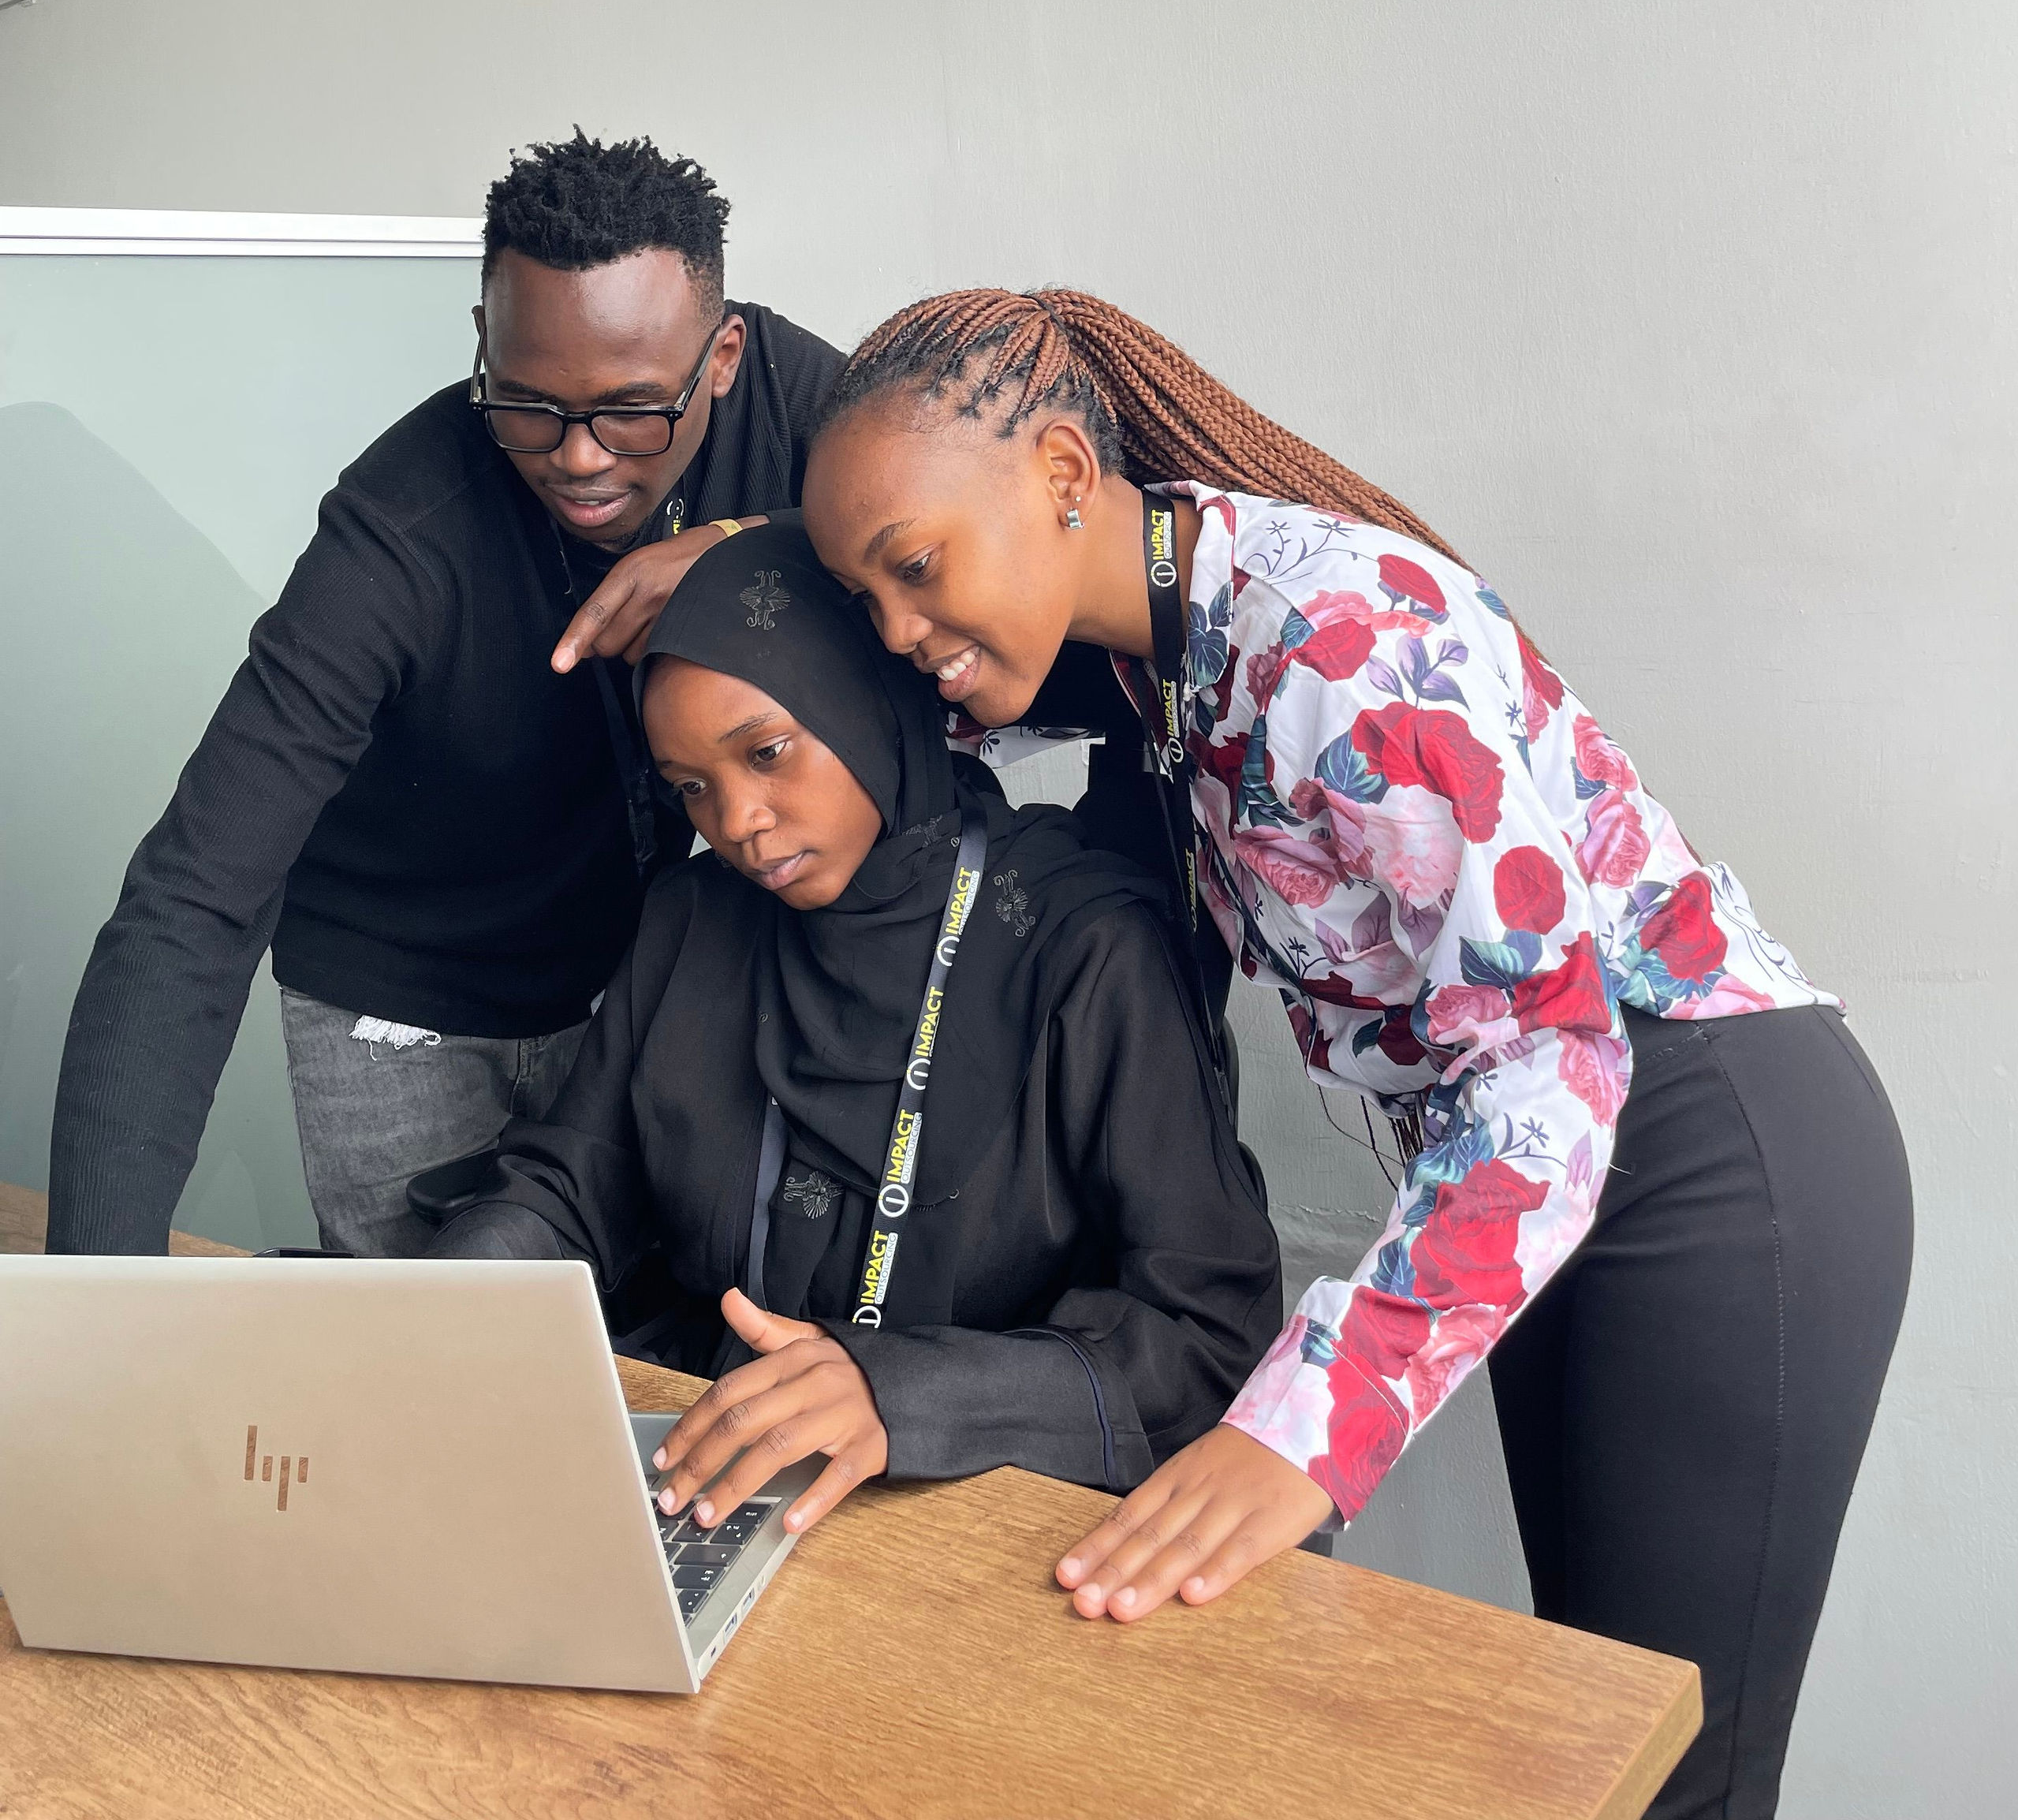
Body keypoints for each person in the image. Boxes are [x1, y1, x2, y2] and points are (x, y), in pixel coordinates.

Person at [797, 286, 1912, 1820]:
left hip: (1710, 1158)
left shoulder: (1335, 639)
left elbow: (1547, 1069)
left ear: (1062, 475)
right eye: (867, 600)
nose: (901, 631)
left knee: (1678, 1788)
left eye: (914, 571)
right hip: (1556, 1194)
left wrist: (1300, 1440)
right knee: (1592, 1750)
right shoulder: (1170, 650)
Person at [46, 132, 841, 1259]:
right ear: (483, 341)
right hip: (394, 997)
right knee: (423, 1367)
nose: (578, 460)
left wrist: (741, 549)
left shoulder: (802, 405)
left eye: (630, 413)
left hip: (632, 974)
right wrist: (95, 1301)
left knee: (621, 1339)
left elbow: (958, 544)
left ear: (721, 357)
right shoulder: (396, 529)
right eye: (526, 406)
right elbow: (191, 902)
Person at [431, 520, 1282, 1537]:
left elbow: (1209, 1334)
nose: (737, 820)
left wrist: (904, 1392)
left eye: (768, 753)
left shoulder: (1082, 947)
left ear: (868, 703)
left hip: (986, 1523)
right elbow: (572, 1187)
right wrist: (458, 1297)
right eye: (692, 787)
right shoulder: (697, 920)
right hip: (713, 1481)